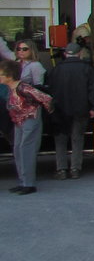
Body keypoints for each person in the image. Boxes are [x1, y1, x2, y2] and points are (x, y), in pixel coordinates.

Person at [45, 42, 94, 180]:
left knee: (60, 140)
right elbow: (93, 89)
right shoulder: (87, 68)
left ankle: (61, 169)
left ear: (65, 54)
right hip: (81, 109)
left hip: (60, 110)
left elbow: (50, 90)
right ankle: (75, 168)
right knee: (77, 138)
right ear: (80, 53)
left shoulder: (56, 69)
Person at [0, 58, 53, 195]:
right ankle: (23, 181)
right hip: (19, 121)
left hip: (30, 119)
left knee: (26, 150)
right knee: (18, 149)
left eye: (1, 74)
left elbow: (46, 99)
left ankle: (29, 183)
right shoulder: (12, 88)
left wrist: (39, 114)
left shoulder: (23, 87)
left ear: (9, 76)